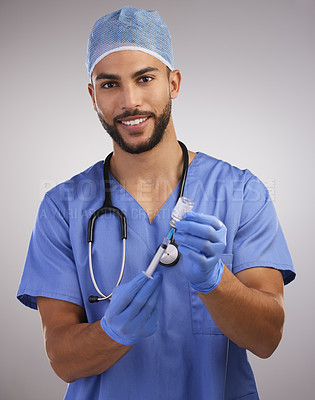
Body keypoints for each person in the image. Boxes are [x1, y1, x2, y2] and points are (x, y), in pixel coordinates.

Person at [17, 6, 295, 400]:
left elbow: (268, 339)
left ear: (174, 82)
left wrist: (216, 282)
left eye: (145, 78)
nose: (130, 101)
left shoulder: (242, 192)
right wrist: (111, 333)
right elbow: (62, 359)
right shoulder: (62, 207)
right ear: (93, 95)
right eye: (110, 84)